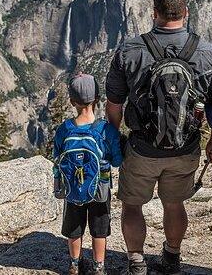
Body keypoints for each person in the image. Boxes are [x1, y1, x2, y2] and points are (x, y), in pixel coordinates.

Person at [105, 0, 212, 275]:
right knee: (174, 204)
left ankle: (136, 262)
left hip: (142, 148)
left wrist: (115, 138)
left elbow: (114, 104)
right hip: (185, 148)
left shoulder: (130, 50)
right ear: (185, 12)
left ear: (153, 12)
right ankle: (171, 257)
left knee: (132, 205)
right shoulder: (207, 53)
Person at [53, 73, 122, 275]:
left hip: (73, 186)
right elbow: (117, 160)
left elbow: (57, 155)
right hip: (99, 187)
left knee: (74, 227)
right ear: (98, 99)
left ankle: (75, 263)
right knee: (99, 229)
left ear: (72, 101)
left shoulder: (64, 129)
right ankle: (98, 266)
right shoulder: (105, 129)